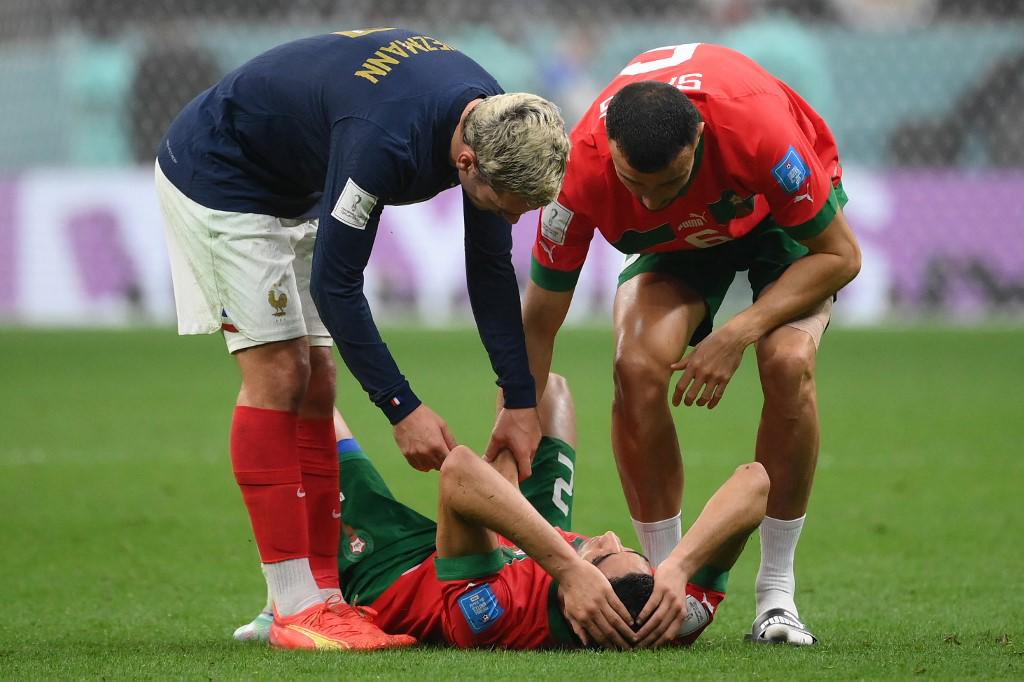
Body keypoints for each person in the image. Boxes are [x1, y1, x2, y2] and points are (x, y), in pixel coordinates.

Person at [154, 28, 569, 650]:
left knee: (319, 382)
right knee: (280, 374)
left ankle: (321, 596)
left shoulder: (494, 119)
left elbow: (487, 271)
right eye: (507, 206)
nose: (512, 219)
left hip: (292, 182)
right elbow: (338, 285)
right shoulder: (386, 142)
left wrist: (518, 400)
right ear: (465, 163)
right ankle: (294, 608)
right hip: (222, 174)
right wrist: (402, 408)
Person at [522, 43, 861, 645]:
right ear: (612, 151)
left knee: (787, 364)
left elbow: (841, 256)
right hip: (681, 242)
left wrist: (739, 330)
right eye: (636, 183)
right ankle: (665, 582)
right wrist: (516, 412)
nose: (650, 199)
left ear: (700, 138)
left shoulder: (757, 131)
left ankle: (776, 597)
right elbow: (541, 318)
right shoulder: (579, 170)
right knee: (635, 366)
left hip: (780, 223)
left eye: (669, 180)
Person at [236, 373, 770, 650]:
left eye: (605, 554)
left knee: (299, 387)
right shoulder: (671, 618)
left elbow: (459, 474)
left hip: (397, 569)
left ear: (583, 608)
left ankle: (282, 596)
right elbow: (755, 482)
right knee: (545, 390)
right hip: (534, 552)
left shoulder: (495, 615)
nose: (609, 535)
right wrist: (675, 568)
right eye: (629, 550)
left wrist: (566, 562)